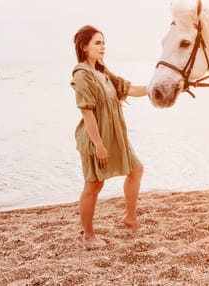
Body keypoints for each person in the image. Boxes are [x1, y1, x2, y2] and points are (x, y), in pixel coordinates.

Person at [71, 25, 147, 250]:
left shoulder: (104, 73)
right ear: (84, 47)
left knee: (136, 170)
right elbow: (86, 111)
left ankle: (130, 217)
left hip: (116, 136)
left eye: (103, 42)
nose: (103, 47)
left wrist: (163, 87)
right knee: (94, 185)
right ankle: (88, 235)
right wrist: (99, 145)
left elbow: (131, 90)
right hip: (96, 138)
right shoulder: (82, 74)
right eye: (97, 43)